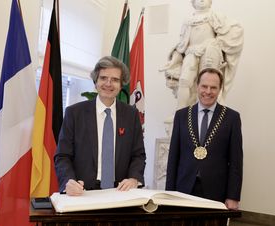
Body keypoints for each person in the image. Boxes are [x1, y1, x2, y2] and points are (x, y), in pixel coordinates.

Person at [54, 56, 146, 196]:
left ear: (121, 85)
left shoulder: (131, 115)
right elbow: (63, 156)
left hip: (121, 192)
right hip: (82, 192)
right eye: (103, 78)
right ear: (95, 81)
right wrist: (69, 181)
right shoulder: (74, 113)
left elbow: (138, 155)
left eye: (115, 80)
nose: (108, 84)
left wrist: (134, 179)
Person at [165, 64, 243, 211]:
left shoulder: (232, 118)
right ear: (197, 86)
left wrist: (233, 196)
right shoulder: (182, 115)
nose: (208, 91)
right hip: (183, 189)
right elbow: (173, 157)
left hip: (216, 191)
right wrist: (169, 192)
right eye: (204, 86)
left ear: (220, 89)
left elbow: (236, 162)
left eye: (213, 88)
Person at [160, 0, 243, 110]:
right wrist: (172, 62)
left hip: (209, 53)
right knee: (184, 81)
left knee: (209, 82)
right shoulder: (188, 20)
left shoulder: (215, 16)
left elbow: (236, 29)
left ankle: (211, 112)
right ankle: (180, 113)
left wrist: (216, 42)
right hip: (191, 52)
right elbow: (182, 46)